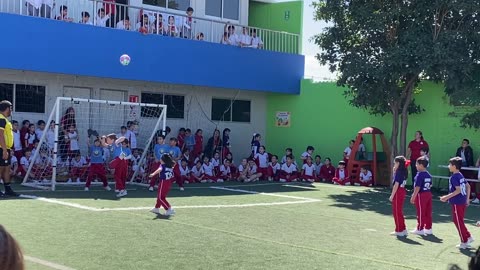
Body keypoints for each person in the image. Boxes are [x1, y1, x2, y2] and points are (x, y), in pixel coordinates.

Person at [440, 157, 474, 249]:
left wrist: (446, 197)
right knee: (459, 220)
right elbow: (468, 186)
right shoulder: (460, 175)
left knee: (457, 221)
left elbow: (458, 190)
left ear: (454, 166)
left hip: (457, 202)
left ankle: (464, 241)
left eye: (450, 165)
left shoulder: (454, 177)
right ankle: (468, 236)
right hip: (462, 201)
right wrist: (467, 199)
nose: (449, 166)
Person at [410, 156, 433, 235]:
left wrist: (413, 196)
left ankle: (420, 228)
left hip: (421, 195)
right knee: (428, 212)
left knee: (420, 212)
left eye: (417, 164)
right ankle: (428, 228)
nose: (416, 165)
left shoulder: (419, 175)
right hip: (428, 194)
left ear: (421, 165)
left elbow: (417, 187)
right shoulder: (428, 175)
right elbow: (430, 185)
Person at [0, 101, 18, 197]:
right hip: (1, 148)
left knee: (7, 169)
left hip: (6, 148)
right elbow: (0, 135)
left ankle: (8, 189)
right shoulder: (1, 119)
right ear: (7, 108)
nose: (11, 110)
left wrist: (8, 149)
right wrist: (3, 150)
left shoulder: (5, 120)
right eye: (10, 108)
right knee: (1, 169)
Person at [389, 156, 408, 237]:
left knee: (396, 211)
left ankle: (399, 229)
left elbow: (396, 184)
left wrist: (392, 195)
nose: (394, 165)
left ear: (398, 163)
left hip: (398, 191)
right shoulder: (404, 171)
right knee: (399, 211)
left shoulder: (399, 172)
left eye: (395, 163)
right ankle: (403, 228)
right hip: (402, 191)